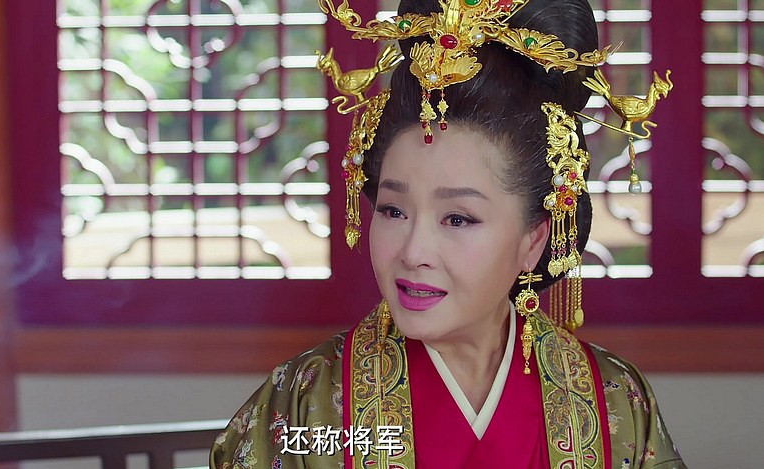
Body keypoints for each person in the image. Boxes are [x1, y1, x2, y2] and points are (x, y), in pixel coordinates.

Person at [210, 0, 686, 467]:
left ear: (534, 240)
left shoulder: (615, 402)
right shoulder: (307, 406)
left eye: (458, 219)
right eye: (393, 210)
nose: (414, 251)